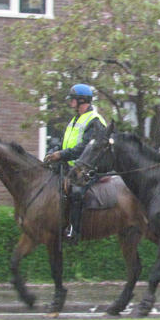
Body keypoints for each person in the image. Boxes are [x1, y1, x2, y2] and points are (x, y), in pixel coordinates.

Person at [43, 83, 107, 243]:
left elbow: (85, 147)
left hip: (88, 167)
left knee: (76, 192)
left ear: (82, 100)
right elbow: (67, 143)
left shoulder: (95, 121)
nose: (70, 102)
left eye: (72, 99)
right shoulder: (75, 119)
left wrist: (61, 154)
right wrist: (54, 151)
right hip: (71, 166)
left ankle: (74, 230)